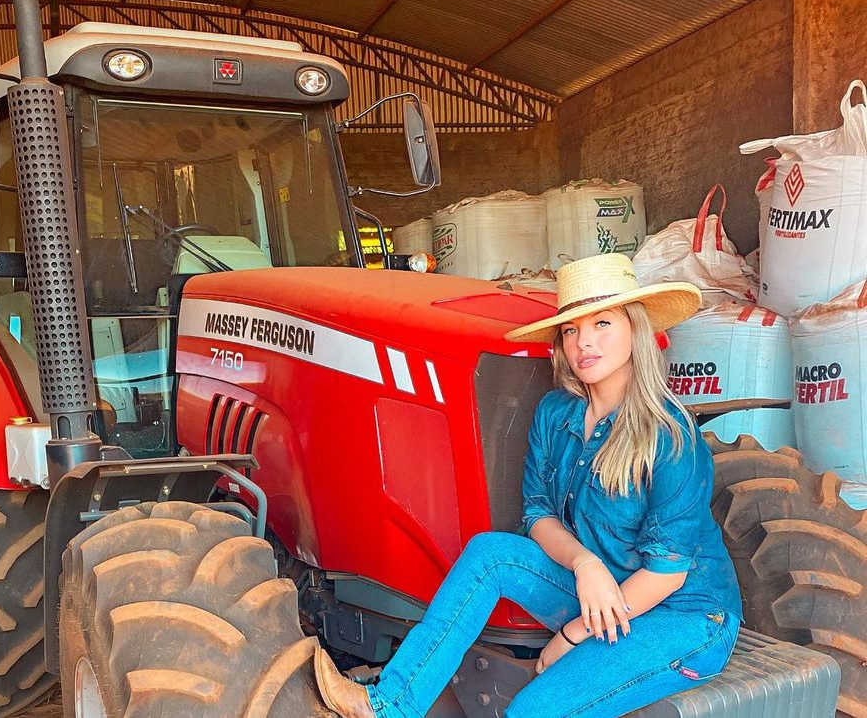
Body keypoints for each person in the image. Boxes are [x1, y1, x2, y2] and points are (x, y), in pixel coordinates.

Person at [314, 253, 743, 718]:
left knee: (531, 712)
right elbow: (537, 515)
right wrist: (584, 564)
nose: (584, 342)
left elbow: (666, 574)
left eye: (602, 323)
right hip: (601, 590)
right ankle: (392, 705)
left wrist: (571, 636)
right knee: (490, 554)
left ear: (634, 330)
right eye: (571, 330)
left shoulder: (671, 435)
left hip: (679, 611)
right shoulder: (556, 413)